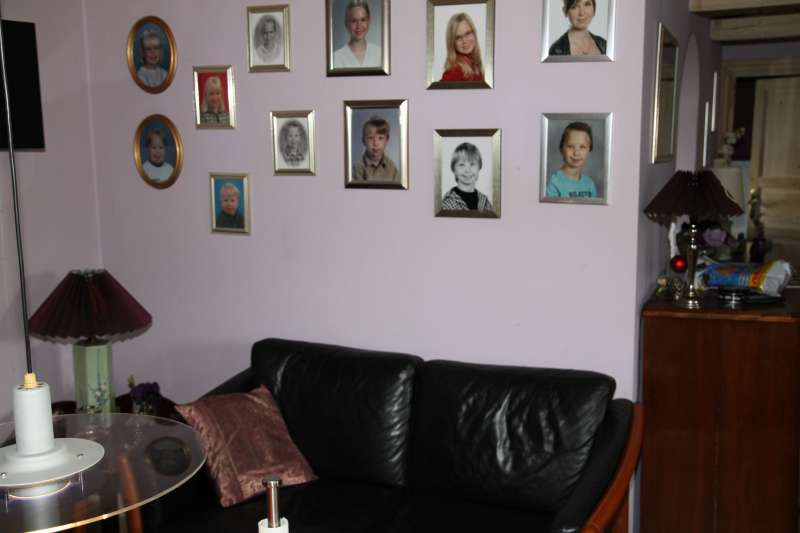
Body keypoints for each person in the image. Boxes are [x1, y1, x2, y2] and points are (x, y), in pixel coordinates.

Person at [546, 122, 599, 199]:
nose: (576, 153)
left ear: (589, 151)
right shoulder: (553, 183)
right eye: (570, 146)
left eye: (582, 147)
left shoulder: (589, 184)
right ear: (561, 149)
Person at [441, 142, 493, 211]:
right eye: (462, 165)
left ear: (479, 167)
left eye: (472, 164)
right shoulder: (447, 204)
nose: (468, 170)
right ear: (453, 169)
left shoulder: (485, 202)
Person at [333, 1, 381, 69]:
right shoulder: (337, 57)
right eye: (354, 21)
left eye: (363, 20)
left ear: (369, 22)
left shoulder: (379, 54)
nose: (359, 26)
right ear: (346, 23)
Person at [440, 13, 484, 82]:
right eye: (458, 38)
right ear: (452, 43)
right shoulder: (454, 72)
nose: (464, 41)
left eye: (468, 33)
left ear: (474, 33)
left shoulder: (476, 66)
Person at [353, 116, 399, 181]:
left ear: (387, 140)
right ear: (363, 140)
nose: (375, 143)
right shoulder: (357, 167)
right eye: (371, 138)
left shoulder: (392, 167)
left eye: (380, 138)